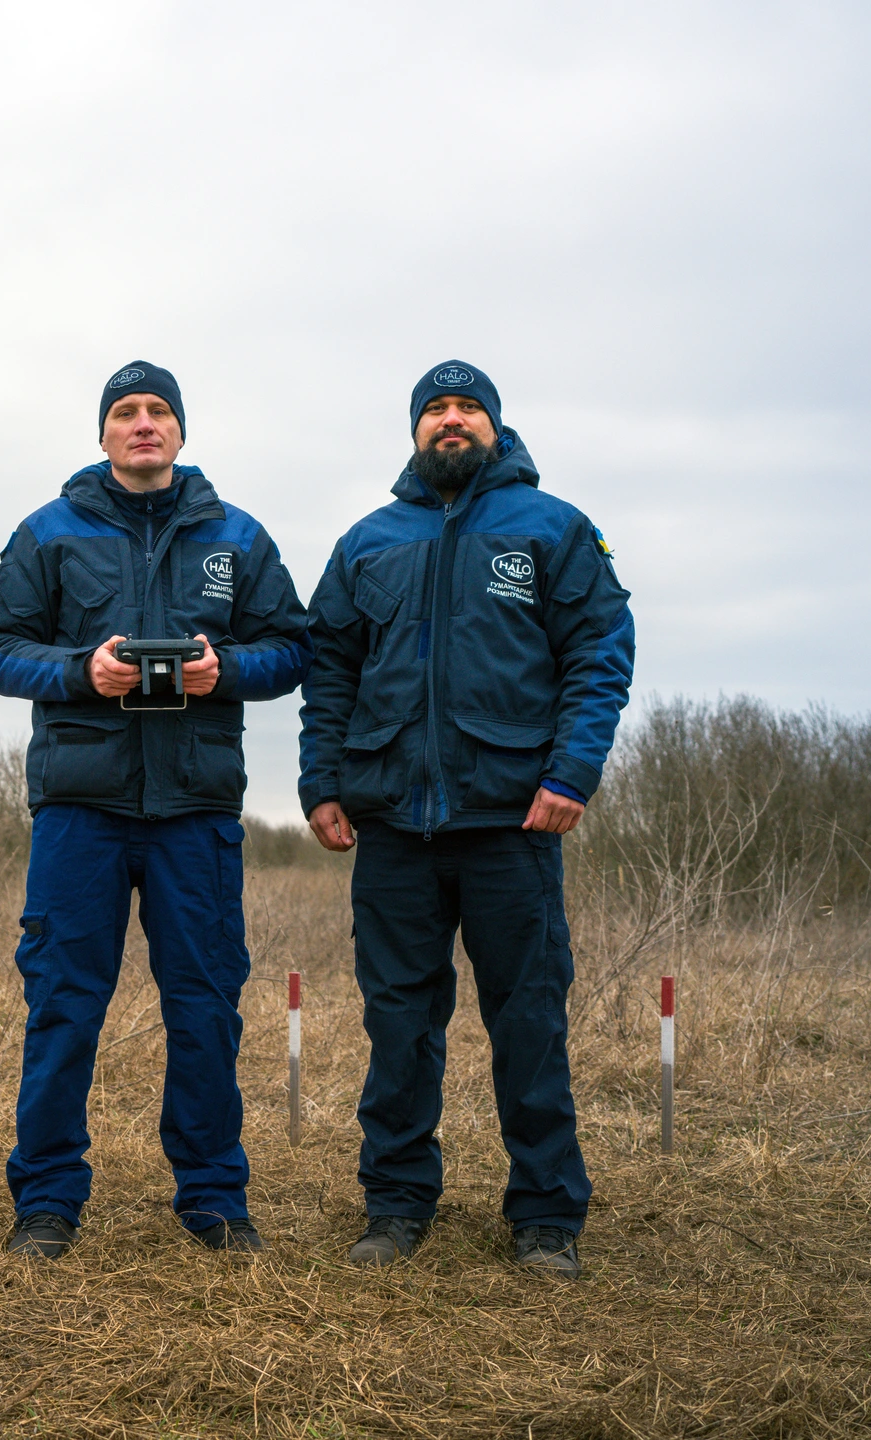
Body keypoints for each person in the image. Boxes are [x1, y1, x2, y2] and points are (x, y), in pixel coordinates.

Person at [297, 360, 633, 1279]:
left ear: (495, 425)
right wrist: (320, 783)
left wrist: (571, 772)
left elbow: (601, 652)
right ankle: (397, 1207)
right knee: (398, 1026)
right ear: (414, 431)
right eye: (435, 409)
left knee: (528, 1021)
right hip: (394, 829)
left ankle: (546, 1218)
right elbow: (328, 671)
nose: (452, 420)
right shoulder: (368, 541)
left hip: (512, 824)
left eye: (468, 408)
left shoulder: (552, 528)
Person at [0, 360, 310, 1258]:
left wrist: (221, 670)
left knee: (205, 1006)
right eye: (126, 411)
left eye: (159, 410)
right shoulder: (48, 534)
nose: (144, 423)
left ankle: (213, 1200)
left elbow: (290, 648)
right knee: (63, 1004)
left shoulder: (238, 538)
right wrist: (85, 670)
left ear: (181, 433)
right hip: (80, 810)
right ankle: (45, 1202)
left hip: (196, 812)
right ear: (105, 434)